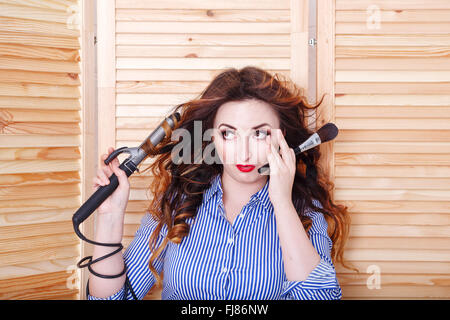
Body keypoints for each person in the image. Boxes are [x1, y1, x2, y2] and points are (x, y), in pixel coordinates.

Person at [87, 66, 352, 300]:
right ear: (213, 138)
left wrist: (282, 203)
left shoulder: (305, 209)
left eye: (259, 133)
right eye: (229, 134)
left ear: (280, 138)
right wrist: (110, 218)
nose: (244, 152)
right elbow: (112, 299)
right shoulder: (178, 202)